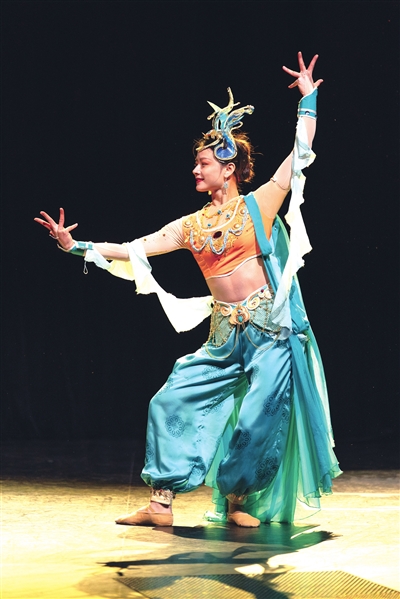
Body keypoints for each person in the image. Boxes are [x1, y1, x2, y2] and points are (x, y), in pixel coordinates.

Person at [35, 52, 341, 528]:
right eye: (196, 163)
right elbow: (134, 249)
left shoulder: (260, 205)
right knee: (170, 400)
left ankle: (237, 499)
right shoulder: (190, 225)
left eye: (203, 163)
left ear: (228, 167)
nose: (195, 171)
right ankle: (161, 503)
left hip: (269, 333)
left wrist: (308, 99)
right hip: (223, 337)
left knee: (259, 416)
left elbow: (299, 155)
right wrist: (77, 247)